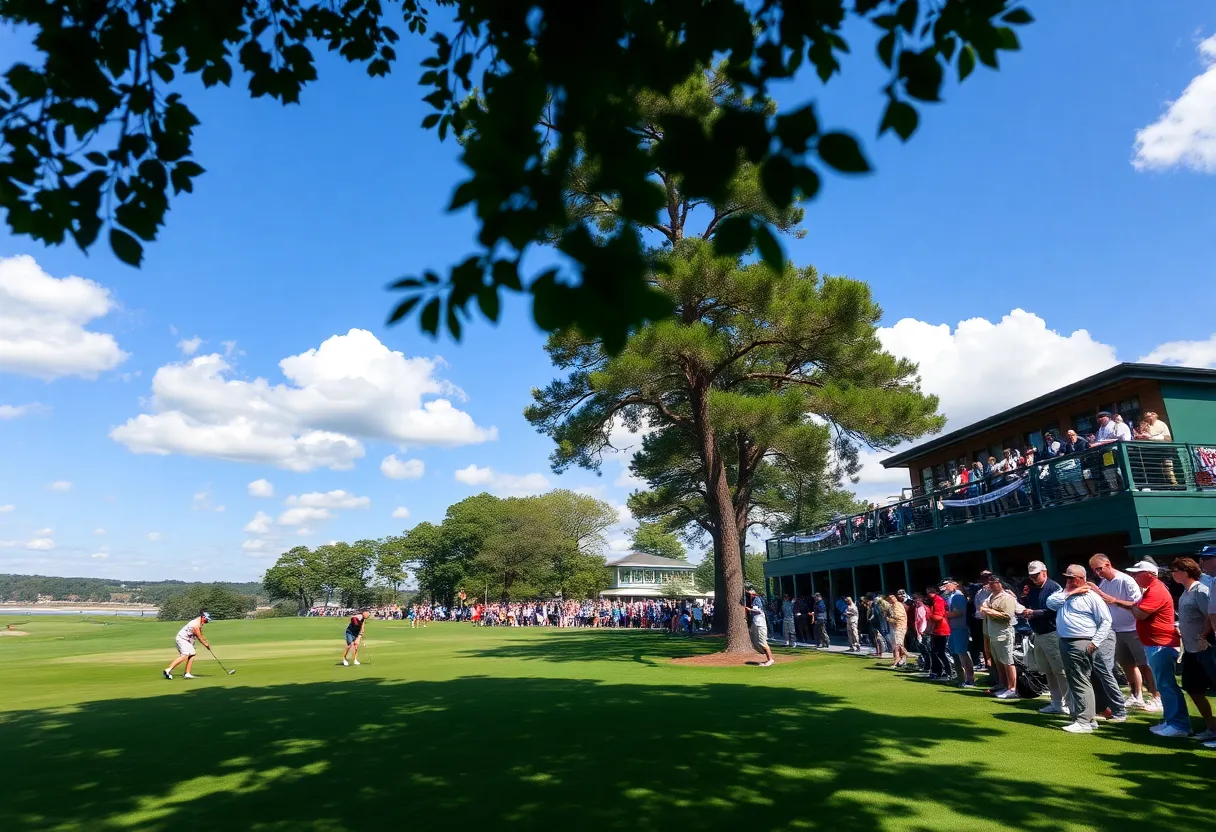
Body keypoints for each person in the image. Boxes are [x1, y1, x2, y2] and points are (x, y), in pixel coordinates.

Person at [1099, 560, 1188, 737]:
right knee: (1164, 684)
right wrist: (1131, 605)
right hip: (1155, 643)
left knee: (1166, 685)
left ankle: (1179, 725)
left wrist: (1126, 605)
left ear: (1149, 574)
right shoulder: (1150, 589)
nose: (1134, 576)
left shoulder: (1155, 590)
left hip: (1160, 644)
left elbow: (1140, 614)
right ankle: (1171, 721)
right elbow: (1138, 610)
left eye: (1137, 573)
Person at [1046, 565, 1120, 734]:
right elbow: (1050, 603)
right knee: (1076, 680)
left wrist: (1095, 642)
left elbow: (1106, 621)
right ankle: (1088, 719)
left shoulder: (1091, 596)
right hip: (1066, 641)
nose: (1068, 581)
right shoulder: (1064, 594)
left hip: (1081, 641)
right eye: (1067, 577)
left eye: (1072, 578)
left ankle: (1084, 721)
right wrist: (1070, 592)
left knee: (1080, 680)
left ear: (1081, 579)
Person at [1087, 554, 1161, 712]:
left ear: (1108, 564)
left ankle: (1156, 697)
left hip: (1134, 628)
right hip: (1116, 630)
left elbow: (1137, 604)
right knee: (1127, 665)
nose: (1098, 573)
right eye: (1094, 570)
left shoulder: (1125, 580)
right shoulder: (1104, 583)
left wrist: (1114, 600)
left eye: (1099, 569)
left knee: (1144, 665)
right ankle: (1136, 696)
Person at [1170, 558, 1216, 741]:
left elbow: (1210, 616)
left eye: (1175, 570)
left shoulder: (1200, 590)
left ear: (1185, 571)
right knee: (1192, 688)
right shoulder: (1185, 593)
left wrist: (1203, 636)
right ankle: (1211, 726)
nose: (1172, 574)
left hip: (1205, 649)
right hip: (1190, 650)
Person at [1019, 560, 1071, 716]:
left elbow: (1054, 610)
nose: (1033, 578)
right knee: (1047, 671)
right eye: (1031, 576)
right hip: (1038, 633)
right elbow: (1030, 606)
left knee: (1060, 671)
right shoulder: (1033, 589)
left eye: (1036, 575)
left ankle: (1069, 704)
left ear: (1044, 572)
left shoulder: (1054, 587)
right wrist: (1025, 605)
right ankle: (1056, 703)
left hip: (1052, 633)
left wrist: (1034, 613)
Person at [979, 575, 1017, 698]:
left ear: (1000, 583)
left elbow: (1007, 616)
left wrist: (988, 610)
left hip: (1004, 633)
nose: (991, 585)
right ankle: (1003, 685)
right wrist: (986, 609)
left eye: (994, 582)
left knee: (1008, 661)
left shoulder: (1007, 597)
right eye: (990, 582)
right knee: (999, 662)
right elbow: (982, 608)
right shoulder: (990, 597)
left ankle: (1012, 689)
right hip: (993, 633)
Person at [942, 578, 974, 687]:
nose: (945, 587)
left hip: (960, 628)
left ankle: (970, 679)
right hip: (954, 628)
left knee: (962, 654)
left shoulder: (958, 596)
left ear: (955, 584)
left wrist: (942, 614)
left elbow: (958, 613)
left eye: (947, 584)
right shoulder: (953, 596)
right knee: (956, 654)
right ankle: (961, 678)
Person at [164, 610, 212, 680]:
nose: (207, 621)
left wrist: (205, 642)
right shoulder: (195, 624)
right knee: (185, 655)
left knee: (192, 654)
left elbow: (199, 635)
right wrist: (206, 644)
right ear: (203, 617)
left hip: (187, 640)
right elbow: (199, 636)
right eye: (207, 619)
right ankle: (168, 670)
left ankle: (187, 674)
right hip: (182, 639)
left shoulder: (199, 622)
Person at [742, 588, 774, 667]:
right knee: (754, 639)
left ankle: (770, 659)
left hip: (760, 623)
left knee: (763, 642)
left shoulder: (757, 599)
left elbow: (759, 610)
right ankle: (765, 655)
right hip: (756, 622)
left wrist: (750, 609)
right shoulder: (753, 600)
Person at [926, 584, 951, 679]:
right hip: (937, 630)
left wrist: (929, 626)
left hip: (941, 629)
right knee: (935, 652)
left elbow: (938, 616)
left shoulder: (938, 600)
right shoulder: (935, 600)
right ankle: (938, 671)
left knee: (939, 652)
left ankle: (947, 671)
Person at [886, 591, 908, 669]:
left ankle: (899, 659)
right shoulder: (892, 606)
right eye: (890, 598)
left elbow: (899, 618)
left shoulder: (898, 605)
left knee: (898, 644)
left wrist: (888, 619)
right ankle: (899, 659)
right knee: (896, 644)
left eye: (893, 597)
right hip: (894, 627)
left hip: (899, 627)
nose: (892, 599)